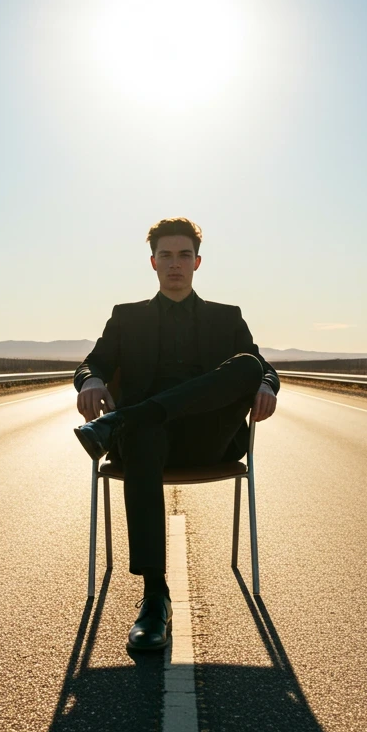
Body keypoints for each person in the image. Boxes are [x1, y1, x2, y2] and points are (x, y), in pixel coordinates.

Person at [72, 217, 280, 653]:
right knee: (146, 436)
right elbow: (92, 365)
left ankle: (122, 421)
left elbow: (263, 367)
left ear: (197, 262)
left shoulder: (227, 318)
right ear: (152, 262)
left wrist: (265, 384)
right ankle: (154, 599)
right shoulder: (127, 318)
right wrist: (90, 381)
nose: (175, 264)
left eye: (184, 255)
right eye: (165, 255)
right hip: (148, 447)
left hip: (208, 441)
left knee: (247, 365)